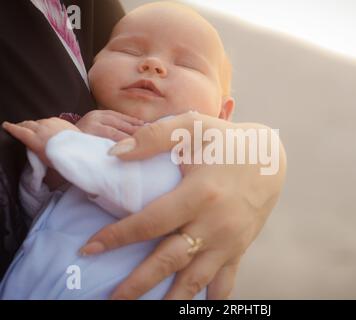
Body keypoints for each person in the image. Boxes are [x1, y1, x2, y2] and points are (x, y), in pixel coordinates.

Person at [0, 0, 286, 300]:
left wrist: (62, 143)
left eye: (187, 64)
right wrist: (52, 172)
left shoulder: (184, 151)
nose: (152, 64)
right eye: (129, 51)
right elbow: (40, 210)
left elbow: (131, 182)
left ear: (221, 114)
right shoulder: (95, 135)